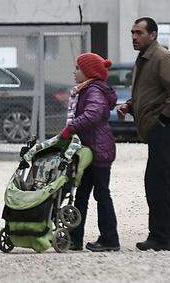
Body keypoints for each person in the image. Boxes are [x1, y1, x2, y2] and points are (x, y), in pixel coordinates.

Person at [116, 17, 170, 251]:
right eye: (132, 33)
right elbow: (148, 92)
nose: (134, 37)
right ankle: (162, 236)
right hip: (157, 128)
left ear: (153, 35)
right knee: (162, 181)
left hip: (164, 129)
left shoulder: (162, 57)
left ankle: (160, 237)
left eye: (139, 33)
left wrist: (163, 119)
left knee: (158, 182)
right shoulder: (145, 59)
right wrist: (129, 105)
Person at [61, 53, 120, 252]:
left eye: (78, 68)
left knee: (101, 194)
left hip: (98, 151)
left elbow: (92, 114)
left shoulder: (94, 90)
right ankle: (75, 239)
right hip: (89, 152)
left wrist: (71, 128)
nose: (74, 72)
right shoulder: (86, 90)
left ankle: (110, 239)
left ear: (89, 72)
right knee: (82, 195)